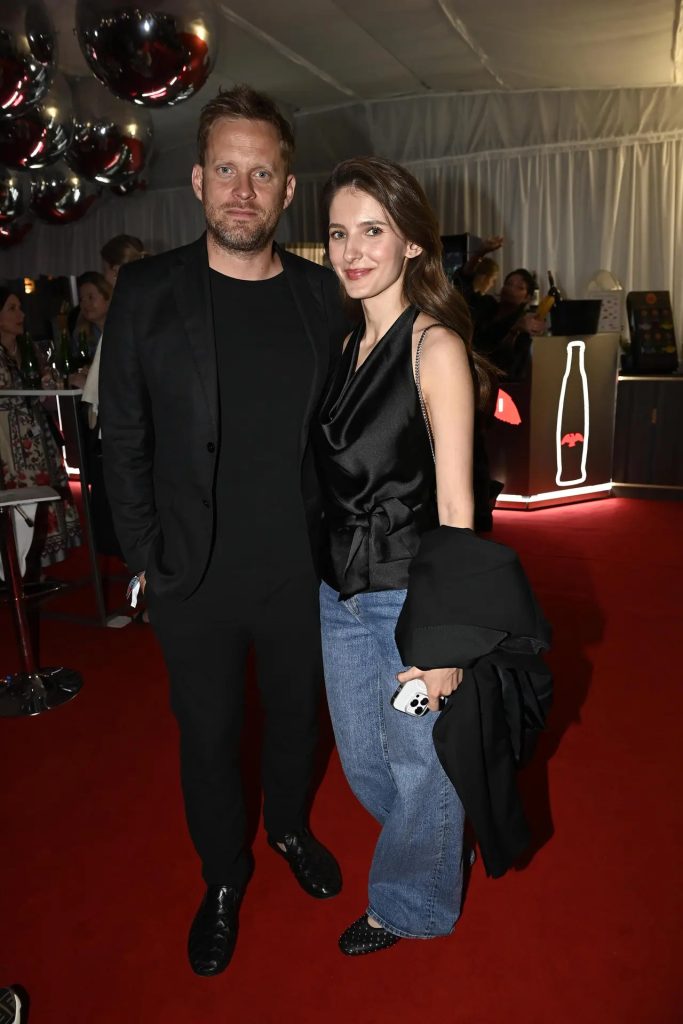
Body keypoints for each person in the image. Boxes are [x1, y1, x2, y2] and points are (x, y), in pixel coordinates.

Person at [99, 84, 346, 977]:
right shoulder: (147, 291)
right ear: (199, 181)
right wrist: (145, 558)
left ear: (288, 190)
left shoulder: (322, 295)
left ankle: (287, 827)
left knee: (295, 719)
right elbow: (123, 436)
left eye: (263, 173)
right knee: (207, 735)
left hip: (297, 568)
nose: (244, 191)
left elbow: (344, 430)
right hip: (191, 576)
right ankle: (222, 878)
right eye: (227, 171)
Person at [313, 156, 494, 955]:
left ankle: (411, 905)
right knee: (364, 762)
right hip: (337, 597)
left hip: (407, 601)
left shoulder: (434, 347)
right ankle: (438, 841)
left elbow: (457, 510)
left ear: (412, 243)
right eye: (337, 234)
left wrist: (443, 645)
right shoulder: (344, 344)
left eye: (372, 231)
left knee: (417, 759)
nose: (352, 251)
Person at [0, 288, 81, 570]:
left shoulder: (29, 349)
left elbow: (45, 391)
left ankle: (38, 563)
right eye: (12, 309)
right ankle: (16, 566)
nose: (21, 315)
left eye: (20, 308)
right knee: (17, 498)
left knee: (44, 490)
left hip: (37, 435)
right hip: (6, 441)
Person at [473, 265, 546, 380]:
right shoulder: (487, 305)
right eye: (508, 284)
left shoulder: (523, 323)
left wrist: (515, 330)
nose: (511, 289)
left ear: (527, 297)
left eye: (519, 287)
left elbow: (505, 364)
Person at [70, 272, 112, 381]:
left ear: (108, 298)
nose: (85, 304)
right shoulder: (80, 335)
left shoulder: (124, 329)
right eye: (81, 299)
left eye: (90, 297)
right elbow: (74, 369)